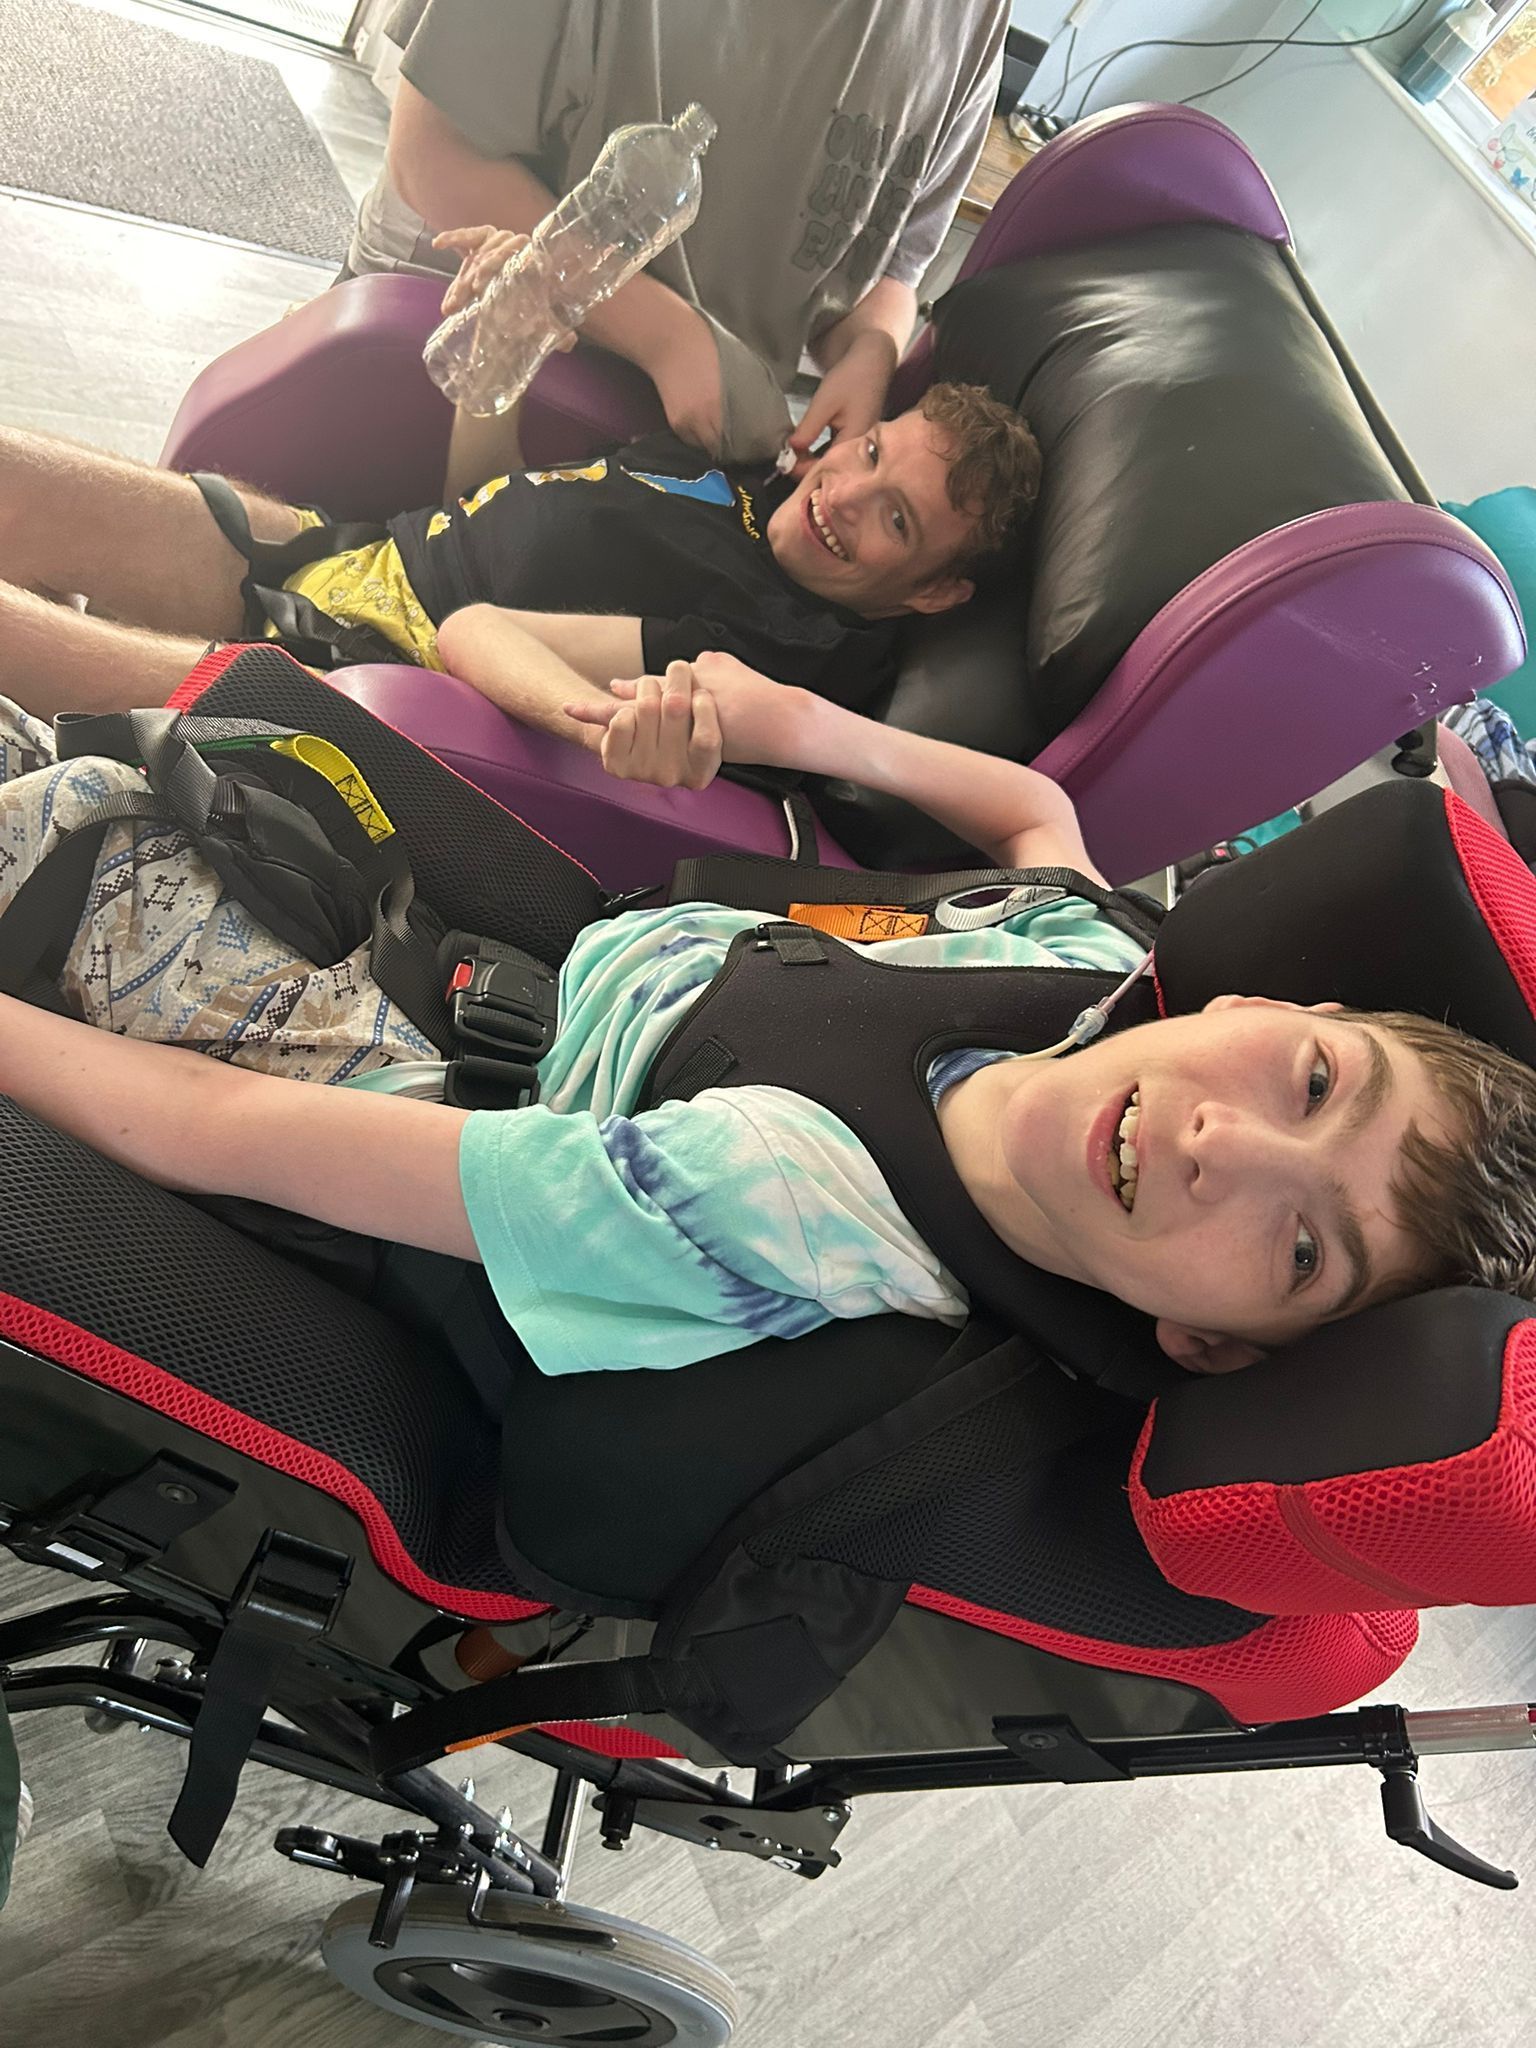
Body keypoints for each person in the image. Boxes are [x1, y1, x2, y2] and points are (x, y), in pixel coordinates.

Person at [1, 646, 1534, 1386]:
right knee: (182, 746)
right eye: (1317, 1080)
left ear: (1211, 1340)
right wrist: (806, 728)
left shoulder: (780, 1205)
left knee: (69, 821)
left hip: (390, 1071)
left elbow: (225, 1130)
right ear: (1275, 1001)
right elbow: (1036, 809)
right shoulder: (1090, 970)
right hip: (547, 949)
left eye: (1303, 1246)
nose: (1227, 1141)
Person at [0, 379, 1040, 735]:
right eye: (867, 453)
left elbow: (481, 639)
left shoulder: (775, 642)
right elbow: (480, 506)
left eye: (895, 519)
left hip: (342, 672)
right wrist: (495, 369)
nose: (844, 496)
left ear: (937, 588)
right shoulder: (735, 481)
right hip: (340, 547)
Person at [345, 0, 1011, 467]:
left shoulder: (975, 18)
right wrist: (665, 336)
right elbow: (432, 154)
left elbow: (894, 267)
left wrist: (869, 354)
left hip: (681, 434)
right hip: (453, 324)